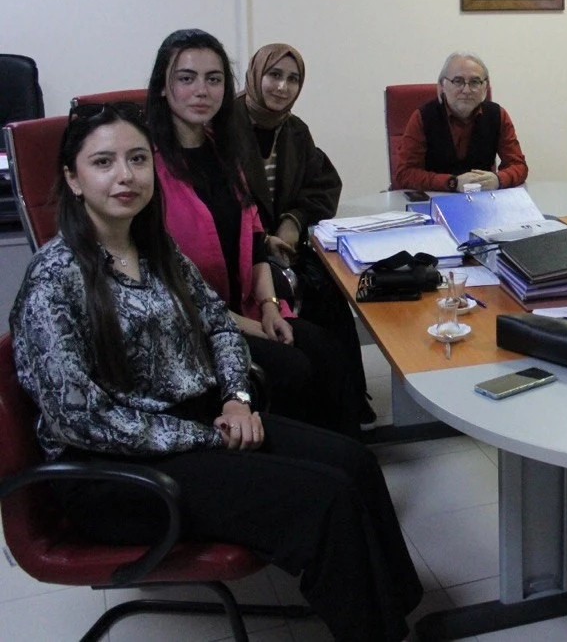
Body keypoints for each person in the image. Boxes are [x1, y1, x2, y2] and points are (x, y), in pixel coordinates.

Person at [8, 102, 422, 641]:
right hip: (114, 471)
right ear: (73, 179)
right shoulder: (54, 280)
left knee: (354, 461)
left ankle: (397, 614)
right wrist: (207, 435)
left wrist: (236, 400)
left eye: (138, 159)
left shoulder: (154, 249)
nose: (125, 175)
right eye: (103, 162)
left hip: (197, 422)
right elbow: (80, 419)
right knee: (324, 501)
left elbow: (221, 328)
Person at [146, 29, 362, 436]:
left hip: (248, 305)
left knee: (328, 351)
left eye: (213, 79)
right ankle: (300, 456)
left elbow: (256, 239)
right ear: (163, 85)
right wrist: (251, 325)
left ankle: (347, 454)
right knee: (295, 367)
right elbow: (162, 281)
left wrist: (268, 306)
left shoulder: (224, 149)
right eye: (186, 78)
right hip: (192, 324)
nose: (202, 90)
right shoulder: (145, 165)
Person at [232, 42, 373, 425]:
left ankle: (347, 403)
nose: (282, 87)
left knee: (332, 292)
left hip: (287, 250)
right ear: (255, 75)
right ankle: (318, 410)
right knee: (309, 313)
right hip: (242, 254)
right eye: (274, 75)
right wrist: (263, 240)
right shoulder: (222, 128)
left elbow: (323, 184)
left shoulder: (294, 131)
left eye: (292, 79)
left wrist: (292, 224)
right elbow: (221, 206)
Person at [391, 51, 529, 193]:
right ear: (442, 85)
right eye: (458, 81)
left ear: (485, 87)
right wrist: (452, 183)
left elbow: (519, 166)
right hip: (434, 199)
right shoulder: (423, 117)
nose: (466, 90)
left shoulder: (498, 115)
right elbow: (404, 174)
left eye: (475, 82)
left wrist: (498, 179)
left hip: (482, 200)